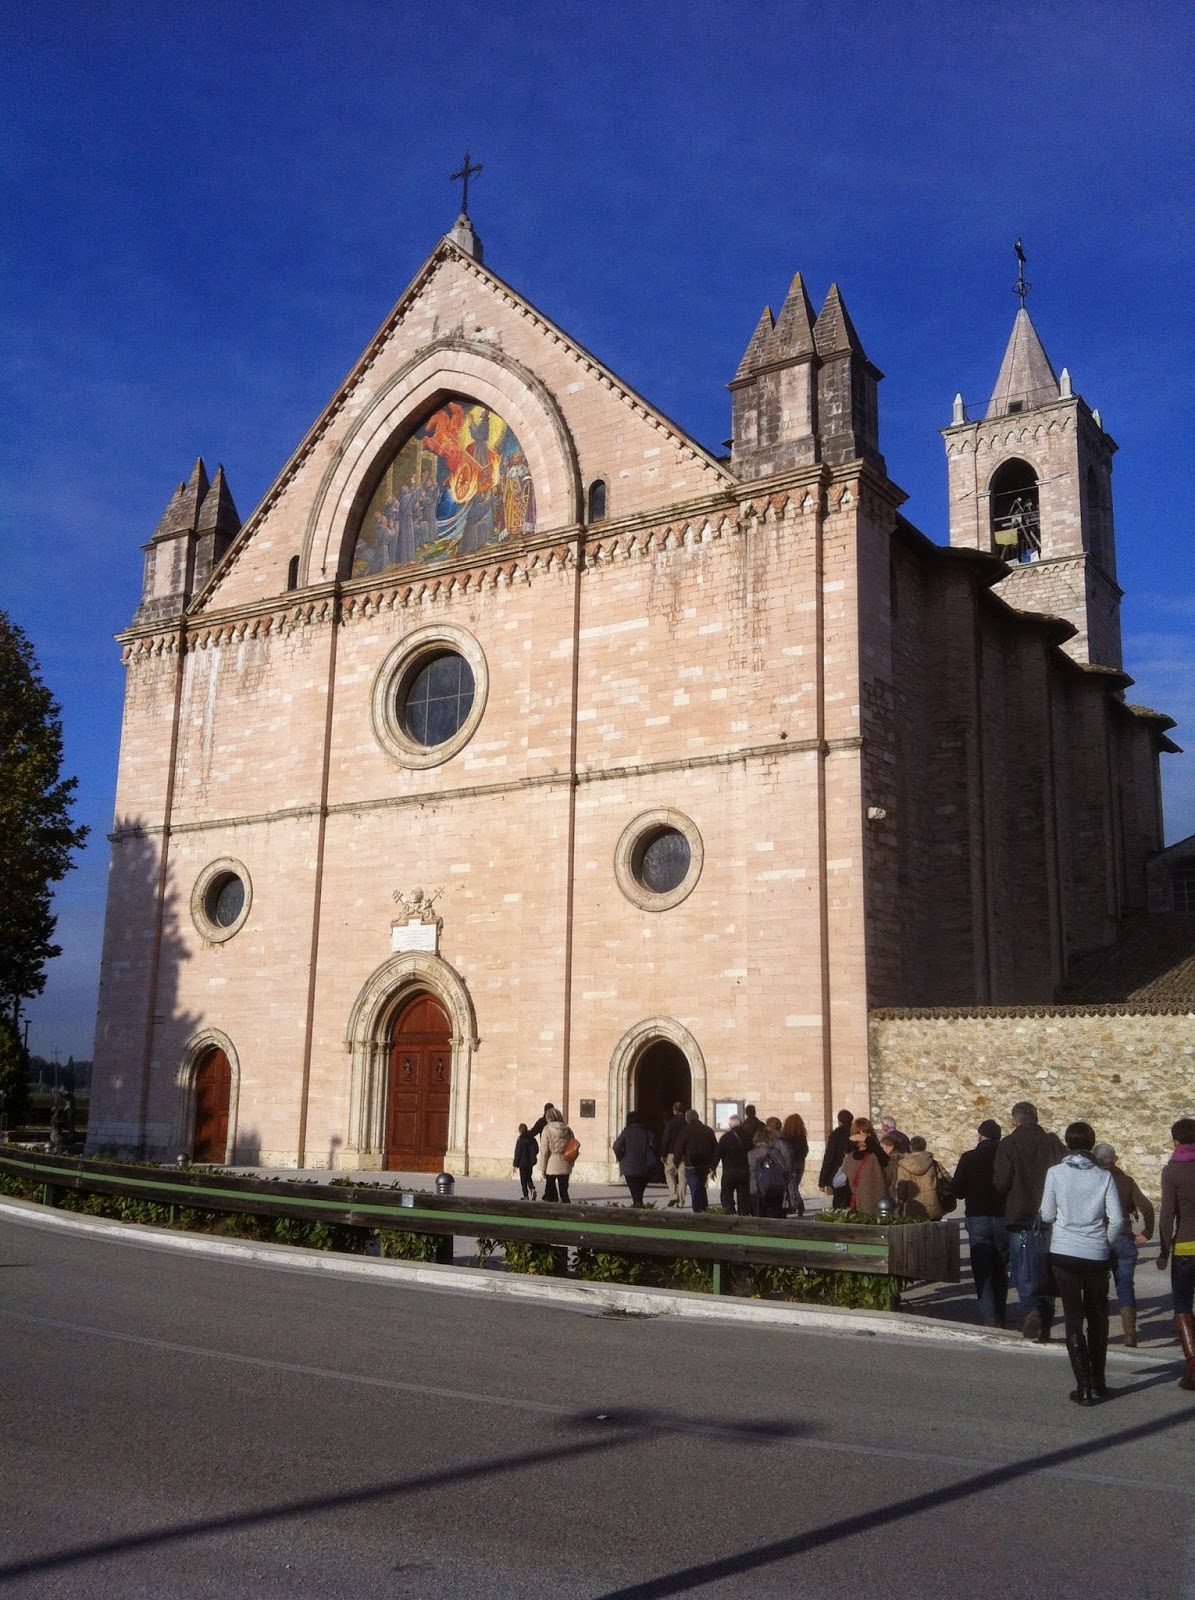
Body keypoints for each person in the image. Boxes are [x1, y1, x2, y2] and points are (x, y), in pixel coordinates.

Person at [1040, 1121, 1123, 1405]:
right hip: (1096, 1254)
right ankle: (1099, 1381)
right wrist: (1104, 1242)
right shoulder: (1104, 1176)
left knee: (1073, 1319)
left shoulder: (1055, 1173)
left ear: (1068, 1144)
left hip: (1064, 1251)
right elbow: (1117, 1220)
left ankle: (1084, 1387)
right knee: (1098, 1317)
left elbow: (1047, 1214)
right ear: (1092, 1144)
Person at [993, 1101, 1065, 1342]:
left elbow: (1001, 1182)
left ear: (1015, 1120)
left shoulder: (1008, 1144)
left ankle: (1031, 1308)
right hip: (1049, 1215)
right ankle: (1045, 1318)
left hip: (1020, 1214)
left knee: (1023, 1269)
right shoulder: (1052, 1143)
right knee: (1047, 1268)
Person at [1093, 1141, 1154, 1347]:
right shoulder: (1126, 1181)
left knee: (1098, 1286)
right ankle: (1129, 1333)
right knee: (1125, 1285)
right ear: (1115, 1160)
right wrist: (1146, 1233)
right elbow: (1147, 1208)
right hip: (1125, 1237)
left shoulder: (1094, 1180)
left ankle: (1099, 1331)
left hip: (1099, 1237)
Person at [952, 1119, 1009, 1328]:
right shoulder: (1006, 1157)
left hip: (977, 1216)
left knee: (982, 1268)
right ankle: (1000, 1313)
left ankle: (989, 1317)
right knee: (1000, 1267)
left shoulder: (969, 1157)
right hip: (1002, 1216)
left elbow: (957, 1190)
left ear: (980, 1136)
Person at [1155, 1115, 1195, 1391]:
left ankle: (1192, 1363)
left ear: (1176, 1142)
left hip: (1185, 1247)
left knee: (1182, 1305)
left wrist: (1164, 1251)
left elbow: (1167, 1214)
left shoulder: (1172, 1171)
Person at [837, 1118, 890, 1214]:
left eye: (867, 1133)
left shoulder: (875, 1154)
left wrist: (867, 1139)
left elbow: (886, 1160)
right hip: (856, 1204)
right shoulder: (850, 1156)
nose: (863, 1136)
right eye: (860, 1133)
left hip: (876, 1203)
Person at [889, 1135, 946, 1221]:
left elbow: (902, 1188)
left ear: (911, 1147)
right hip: (933, 1206)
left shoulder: (904, 1165)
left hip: (912, 1209)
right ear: (924, 1146)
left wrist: (899, 1205)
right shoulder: (933, 1163)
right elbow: (946, 1179)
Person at [675, 1108, 718, 1213]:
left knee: (695, 1188)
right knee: (701, 1186)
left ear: (687, 1119)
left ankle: (697, 1211)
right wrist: (713, 1165)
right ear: (698, 1117)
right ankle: (704, 1208)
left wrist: (676, 1162)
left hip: (691, 1163)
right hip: (705, 1164)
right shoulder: (708, 1130)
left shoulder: (685, 1131)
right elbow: (715, 1148)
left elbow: (679, 1148)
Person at [612, 1111, 656, 1207]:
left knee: (635, 1192)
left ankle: (637, 1206)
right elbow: (653, 1148)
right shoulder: (648, 1133)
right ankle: (638, 1205)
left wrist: (620, 1157)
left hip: (629, 1167)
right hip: (645, 1168)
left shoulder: (626, 1133)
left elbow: (616, 1146)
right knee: (639, 1193)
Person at [710, 1114, 751, 1215]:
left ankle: (730, 1213)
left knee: (726, 1194)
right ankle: (744, 1214)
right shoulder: (748, 1136)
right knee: (743, 1195)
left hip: (729, 1171)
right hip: (744, 1171)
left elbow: (718, 1153)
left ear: (730, 1125)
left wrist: (713, 1168)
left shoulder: (726, 1137)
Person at [749, 1127, 793, 1219]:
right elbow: (784, 1169)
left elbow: (750, 1172)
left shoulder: (751, 1154)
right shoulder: (775, 1152)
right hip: (775, 1188)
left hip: (757, 1189)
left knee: (759, 1215)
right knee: (775, 1214)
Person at [537, 1107, 578, 1203]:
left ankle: (550, 1208)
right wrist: (571, 1163)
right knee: (564, 1191)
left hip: (552, 1162)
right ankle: (567, 1208)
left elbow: (544, 1151)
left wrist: (542, 1168)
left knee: (550, 1190)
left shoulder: (547, 1129)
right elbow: (573, 1146)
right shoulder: (568, 1129)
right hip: (565, 1161)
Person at [818, 1109, 854, 1199]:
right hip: (853, 1172)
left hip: (837, 1173)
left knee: (839, 1200)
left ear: (839, 1121)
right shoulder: (855, 1134)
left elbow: (828, 1158)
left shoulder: (836, 1136)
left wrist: (822, 1180)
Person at [659, 1100, 688, 1209]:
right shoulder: (687, 1123)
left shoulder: (670, 1123)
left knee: (669, 1173)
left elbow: (665, 1139)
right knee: (682, 1177)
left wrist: (663, 1154)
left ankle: (674, 1195)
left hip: (671, 1153)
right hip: (684, 1154)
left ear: (674, 1110)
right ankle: (681, 1202)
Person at [779, 1113, 809, 1217]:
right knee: (795, 1185)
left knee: (791, 1186)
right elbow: (805, 1150)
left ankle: (798, 1205)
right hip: (800, 1163)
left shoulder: (785, 1135)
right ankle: (793, 1205)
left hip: (790, 1162)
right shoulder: (802, 1136)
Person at [513, 1122, 538, 1201]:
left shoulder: (520, 1140)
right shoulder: (532, 1139)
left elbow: (518, 1152)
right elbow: (536, 1149)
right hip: (530, 1163)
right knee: (529, 1177)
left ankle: (526, 1195)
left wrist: (515, 1164)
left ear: (520, 1131)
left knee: (523, 1180)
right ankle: (532, 1188)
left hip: (522, 1163)